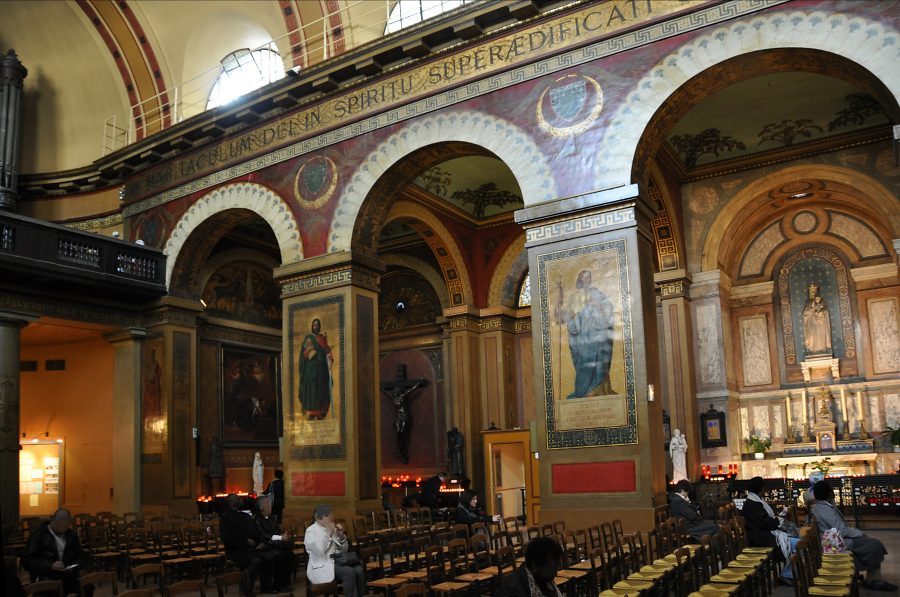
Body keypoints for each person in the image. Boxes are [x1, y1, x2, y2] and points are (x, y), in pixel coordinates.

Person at [810, 481, 896, 591]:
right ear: (829, 493)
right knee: (874, 545)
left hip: (836, 539)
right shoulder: (824, 509)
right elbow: (842, 530)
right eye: (831, 490)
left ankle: (874, 578)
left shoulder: (820, 506)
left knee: (870, 544)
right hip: (837, 543)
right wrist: (859, 533)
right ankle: (874, 580)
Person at [559, 269, 615, 398]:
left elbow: (609, 307)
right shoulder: (575, 297)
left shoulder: (597, 293)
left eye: (589, 277)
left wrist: (598, 305)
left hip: (596, 332)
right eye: (585, 277)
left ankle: (597, 389)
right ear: (580, 280)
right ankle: (584, 390)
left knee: (599, 360)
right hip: (582, 336)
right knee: (584, 361)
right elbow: (567, 316)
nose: (588, 279)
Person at [220, 494, 279, 596]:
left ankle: (266, 586)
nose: (240, 500)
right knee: (256, 560)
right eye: (237, 499)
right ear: (231, 503)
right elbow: (227, 539)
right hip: (236, 550)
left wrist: (261, 542)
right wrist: (245, 541)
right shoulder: (225, 518)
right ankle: (246, 589)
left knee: (269, 555)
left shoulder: (245, 516)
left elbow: (256, 532)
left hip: (251, 548)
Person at [23, 509, 89, 597]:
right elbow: (27, 561)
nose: (63, 527)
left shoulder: (71, 535)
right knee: (53, 591)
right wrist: (50, 565)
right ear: (53, 521)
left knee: (87, 586)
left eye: (66, 524)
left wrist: (73, 566)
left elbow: (80, 556)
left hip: (68, 575)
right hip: (46, 575)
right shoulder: (39, 536)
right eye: (60, 523)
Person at [742, 477, 796, 580]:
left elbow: (765, 520)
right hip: (762, 538)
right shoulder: (753, 504)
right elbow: (765, 523)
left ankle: (788, 573)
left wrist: (777, 520)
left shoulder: (754, 501)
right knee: (798, 545)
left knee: (795, 540)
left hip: (763, 534)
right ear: (762, 488)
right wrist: (778, 521)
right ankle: (786, 574)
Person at [305, 504, 365, 597]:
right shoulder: (311, 531)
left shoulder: (330, 528)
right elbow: (319, 552)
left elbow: (344, 550)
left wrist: (341, 536)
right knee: (348, 572)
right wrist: (329, 534)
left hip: (336, 561)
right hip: (322, 565)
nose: (332, 518)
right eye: (330, 515)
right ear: (321, 517)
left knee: (358, 570)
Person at [497, 536, 564, 596]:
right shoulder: (510, 589)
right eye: (552, 569)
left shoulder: (545, 582)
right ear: (534, 566)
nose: (556, 573)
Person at [254, 495, 294, 591]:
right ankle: (276, 585)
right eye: (268, 504)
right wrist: (280, 537)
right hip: (266, 546)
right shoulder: (257, 519)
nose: (270, 506)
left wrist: (283, 535)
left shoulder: (272, 518)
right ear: (261, 507)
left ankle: (285, 583)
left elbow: (278, 531)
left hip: (277, 545)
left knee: (289, 554)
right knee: (280, 555)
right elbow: (263, 536)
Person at [299, 318, 333, 419]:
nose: (316, 326)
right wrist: (308, 351)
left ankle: (320, 411)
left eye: (318, 325)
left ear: (320, 327)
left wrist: (329, 357)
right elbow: (304, 355)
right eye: (314, 325)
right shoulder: (308, 339)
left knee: (322, 388)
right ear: (312, 327)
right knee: (312, 390)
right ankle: (311, 412)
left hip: (322, 368)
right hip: (311, 369)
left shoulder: (323, 338)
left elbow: (327, 350)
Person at [802, 283, 832, 355]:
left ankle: (822, 349)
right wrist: (813, 308)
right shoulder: (808, 303)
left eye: (814, 291)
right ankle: (813, 349)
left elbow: (825, 312)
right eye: (812, 291)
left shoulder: (822, 303)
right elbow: (805, 314)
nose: (813, 293)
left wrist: (821, 312)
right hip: (812, 323)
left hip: (821, 324)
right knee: (812, 335)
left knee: (821, 335)